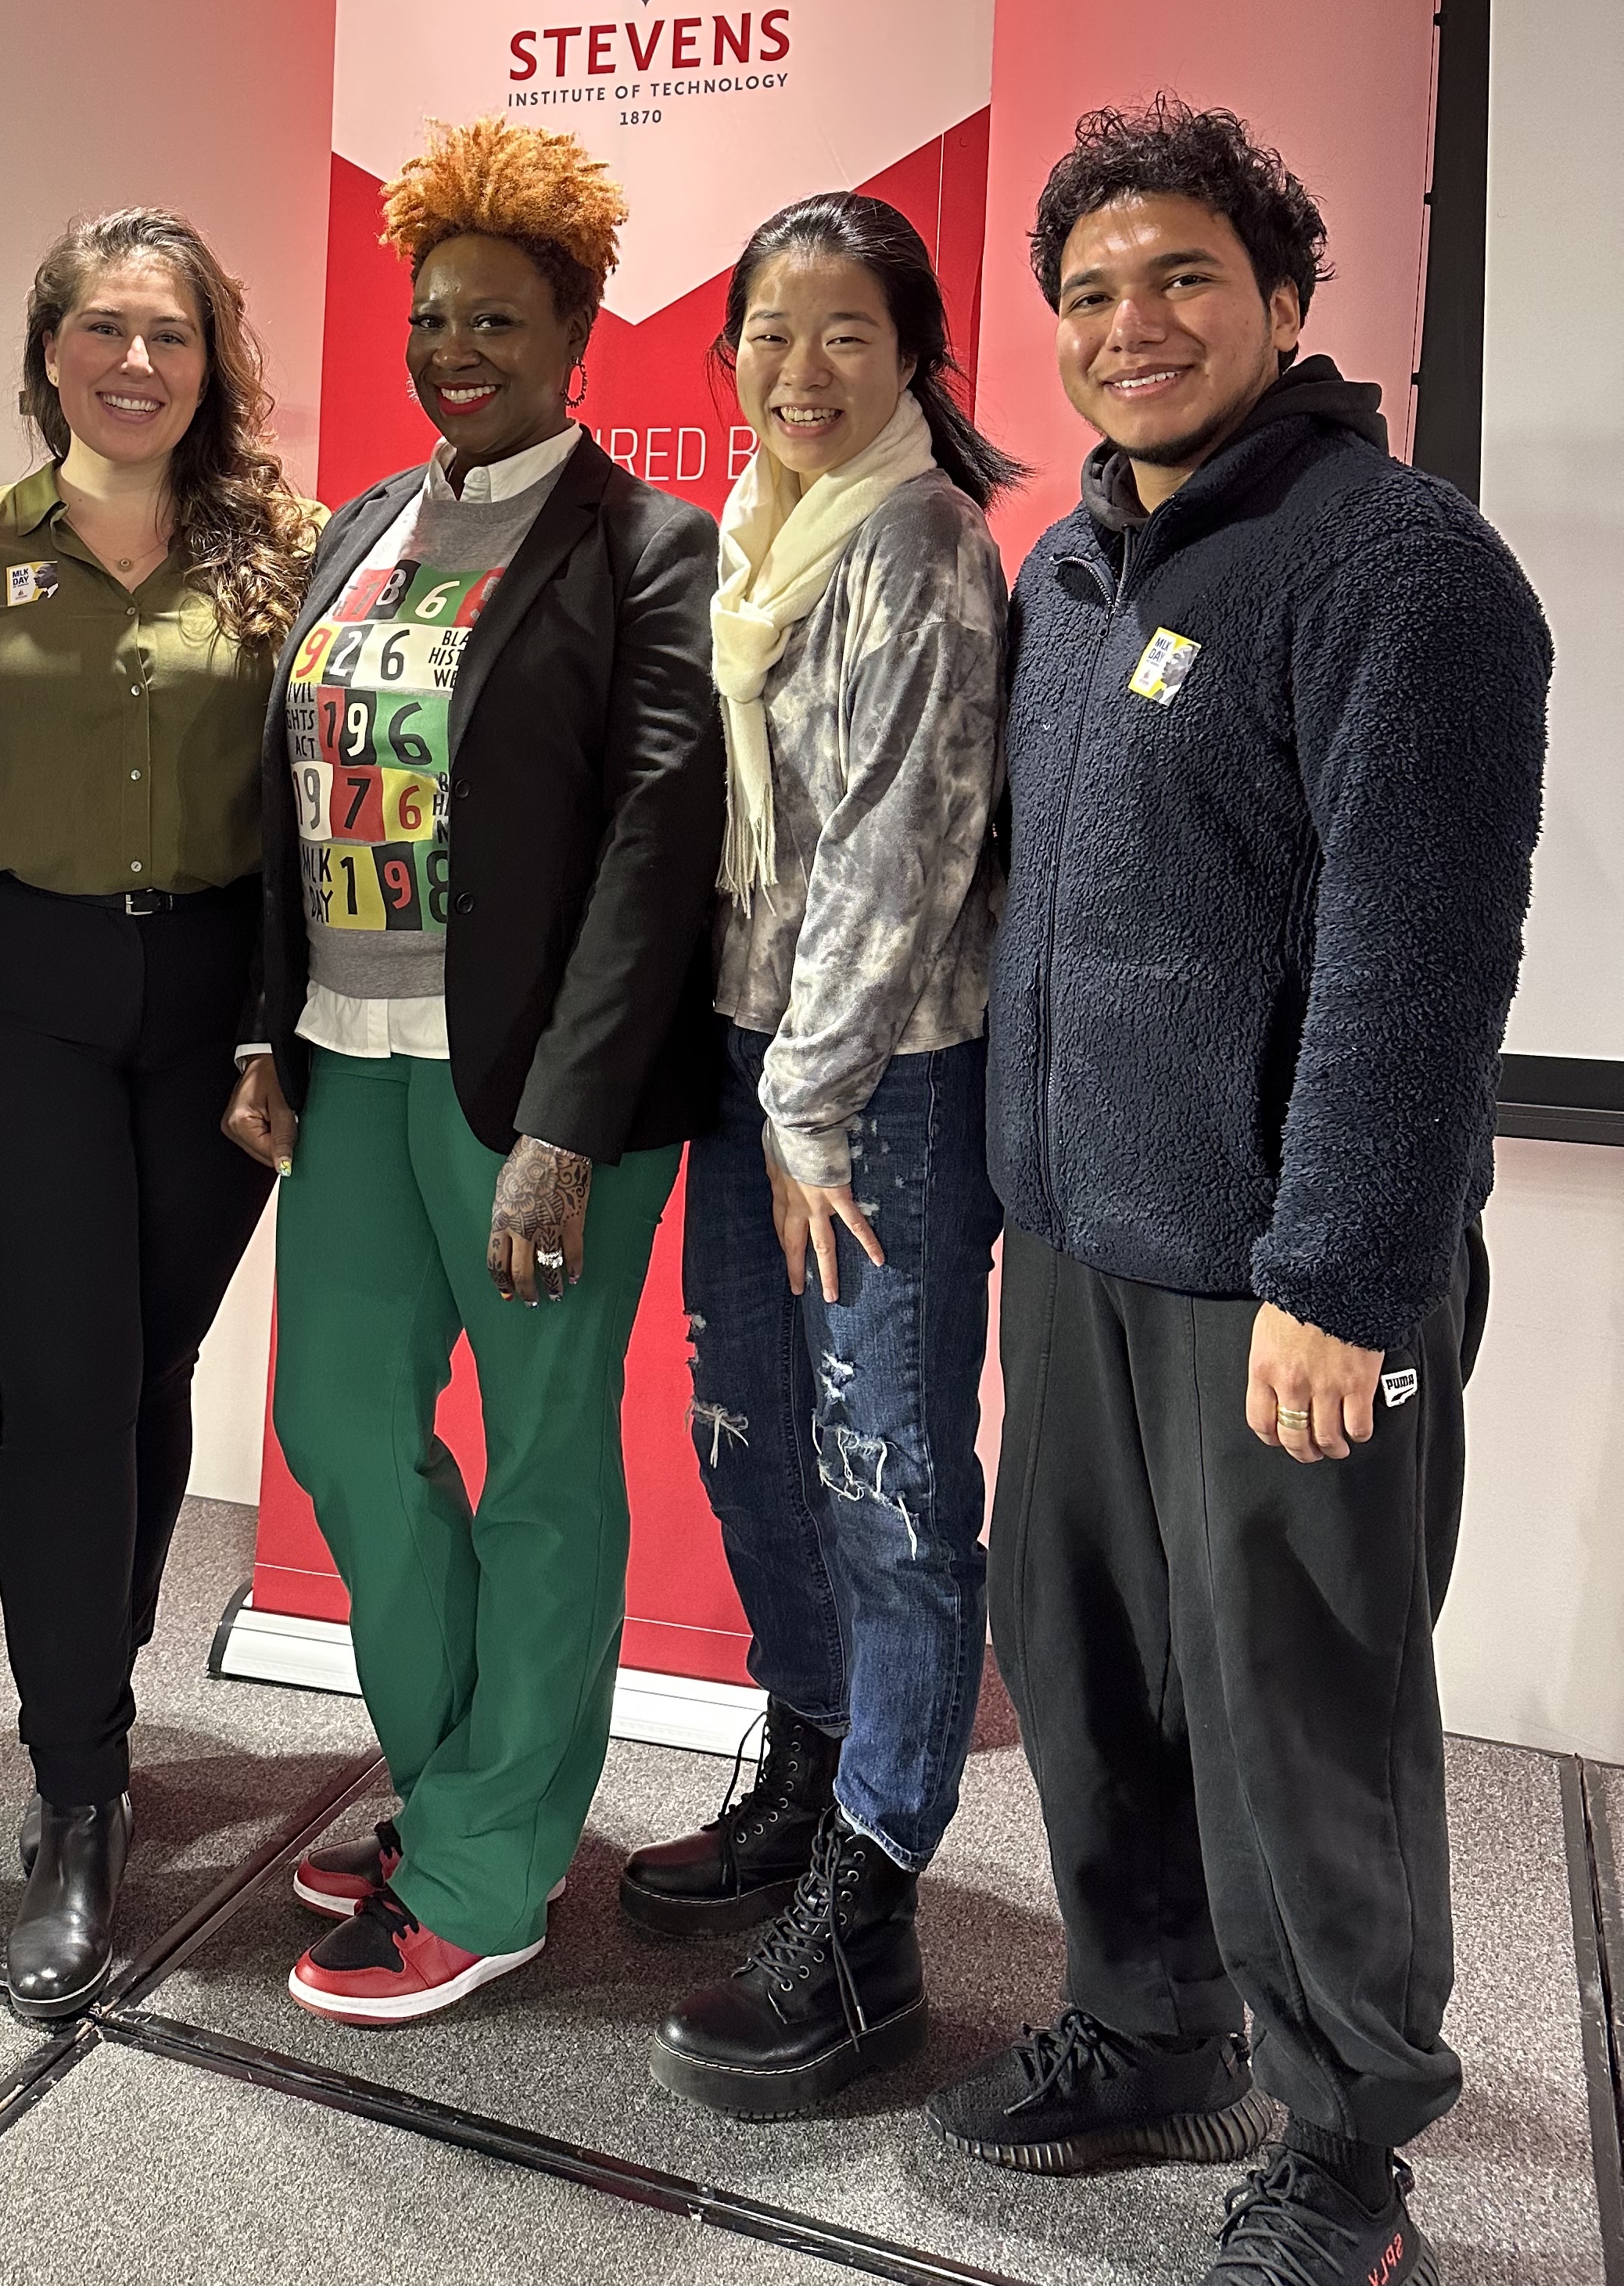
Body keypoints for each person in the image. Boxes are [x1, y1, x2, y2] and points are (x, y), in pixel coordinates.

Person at [927, 101, 1548, 2286]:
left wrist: (1345, 1275)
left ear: (1287, 302)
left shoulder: (1404, 568)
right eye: (1092, 292)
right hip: (1082, 1237)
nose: (1134, 323)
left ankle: (1350, 2154)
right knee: (1086, 1661)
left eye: (1184, 275)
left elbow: (1420, 954)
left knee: (1303, 1707)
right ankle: (1148, 2024)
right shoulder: (1071, 567)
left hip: (1288, 1275)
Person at [222, 117, 723, 2025]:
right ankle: (455, 1792)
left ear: (578, 334)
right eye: (435, 318)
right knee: (343, 1428)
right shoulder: (364, 527)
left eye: (499, 321)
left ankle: (488, 1870)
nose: (458, 351)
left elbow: (658, 844)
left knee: (541, 1473)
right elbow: (288, 794)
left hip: (533, 1100)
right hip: (350, 1066)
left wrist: (569, 1129)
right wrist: (265, 1023)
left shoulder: (648, 548)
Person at [0, 209, 317, 2023]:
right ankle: (76, 1787)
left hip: (216, 1010)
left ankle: (97, 1679)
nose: (136, 363)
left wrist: (287, 1027)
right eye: (103, 330)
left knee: (149, 1363)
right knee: (66, 1382)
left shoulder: (287, 557)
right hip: (5, 992)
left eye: (171, 335)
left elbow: (317, 814)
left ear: (212, 364)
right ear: (48, 351)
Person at [631, 192, 1017, 2117]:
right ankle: (804, 1760)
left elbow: (899, 847)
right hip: (749, 1059)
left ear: (914, 355)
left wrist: (810, 1101)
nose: (802, 370)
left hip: (880, 1091)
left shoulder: (922, 540)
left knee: (888, 1485)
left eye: (846, 333)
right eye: (770, 336)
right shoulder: (757, 537)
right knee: (751, 1439)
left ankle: (872, 1903)